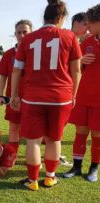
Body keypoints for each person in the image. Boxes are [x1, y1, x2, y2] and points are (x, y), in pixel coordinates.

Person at [10, 0, 82, 191]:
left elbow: (17, 70)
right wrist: (74, 94)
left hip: (33, 96)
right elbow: (76, 71)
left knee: (33, 141)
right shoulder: (70, 37)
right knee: (54, 139)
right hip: (61, 96)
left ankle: (32, 180)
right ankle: (50, 177)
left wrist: (14, 94)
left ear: (45, 17)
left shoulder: (28, 39)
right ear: (60, 17)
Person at [63, 4, 100, 182]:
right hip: (83, 96)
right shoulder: (87, 42)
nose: (88, 27)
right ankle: (76, 167)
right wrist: (81, 61)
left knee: (97, 134)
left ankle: (94, 168)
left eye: (90, 23)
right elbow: (74, 69)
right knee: (81, 131)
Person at [0, 19, 33, 154]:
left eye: (25, 32)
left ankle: (32, 156)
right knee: (13, 128)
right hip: (14, 97)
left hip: (32, 97)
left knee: (32, 129)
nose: (22, 35)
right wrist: (0, 95)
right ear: (15, 34)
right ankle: (12, 155)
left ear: (31, 32)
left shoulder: (36, 52)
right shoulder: (8, 54)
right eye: (19, 32)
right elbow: (3, 76)